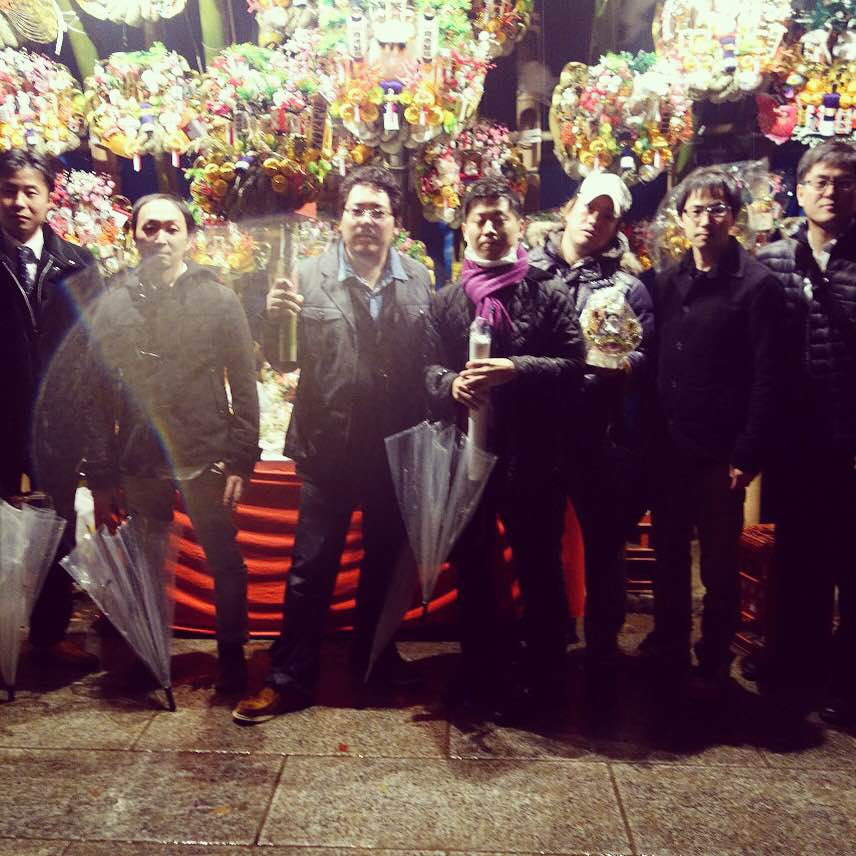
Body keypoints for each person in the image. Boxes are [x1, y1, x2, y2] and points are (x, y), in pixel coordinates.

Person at [233, 165, 434, 724]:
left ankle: (375, 659)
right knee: (311, 568)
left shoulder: (419, 280)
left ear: (395, 223)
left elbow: (427, 362)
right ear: (340, 219)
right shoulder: (305, 276)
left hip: (394, 448)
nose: (366, 220)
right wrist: (272, 320)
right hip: (327, 447)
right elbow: (283, 362)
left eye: (378, 211)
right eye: (356, 210)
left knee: (384, 564)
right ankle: (288, 677)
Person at [84, 193, 259, 694]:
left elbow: (243, 383)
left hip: (206, 453)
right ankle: (148, 653)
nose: (160, 237)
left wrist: (241, 458)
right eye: (150, 227)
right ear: (134, 237)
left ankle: (232, 656)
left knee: (225, 561)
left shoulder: (218, 299)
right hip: (140, 458)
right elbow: (96, 394)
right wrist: (101, 473)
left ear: (188, 237)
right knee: (146, 564)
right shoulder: (112, 306)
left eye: (171, 227)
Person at [424, 176, 585, 721]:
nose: (491, 228)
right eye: (480, 219)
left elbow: (574, 366)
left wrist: (516, 369)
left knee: (538, 566)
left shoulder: (547, 291)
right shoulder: (446, 300)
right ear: (465, 227)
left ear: (519, 225)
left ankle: (544, 677)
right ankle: (480, 670)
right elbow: (424, 369)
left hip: (533, 456)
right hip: (466, 454)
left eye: (500, 218)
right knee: (473, 566)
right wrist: (451, 384)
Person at [645, 166, 783, 697]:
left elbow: (767, 375)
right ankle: (670, 645)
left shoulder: (756, 285)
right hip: (669, 448)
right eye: (696, 210)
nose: (705, 220)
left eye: (717, 209)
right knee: (669, 556)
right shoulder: (667, 280)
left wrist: (747, 452)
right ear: (681, 219)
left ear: (734, 218)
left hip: (720, 452)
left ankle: (715, 656)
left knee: (719, 566)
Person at [528, 172, 654, 673]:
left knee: (604, 540)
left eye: (607, 215)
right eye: (589, 208)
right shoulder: (528, 271)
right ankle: (549, 635)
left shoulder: (628, 286)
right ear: (569, 208)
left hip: (597, 432)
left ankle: (603, 641)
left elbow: (646, 349)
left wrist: (626, 364)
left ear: (616, 226)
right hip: (538, 429)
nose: (595, 220)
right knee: (540, 540)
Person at [755, 141, 856, 725]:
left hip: (850, 436)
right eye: (821, 181)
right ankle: (793, 668)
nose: (831, 192)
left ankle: (845, 682)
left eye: (843, 182)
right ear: (800, 189)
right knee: (797, 557)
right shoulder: (774, 260)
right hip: (795, 439)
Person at [0, 148, 103, 672]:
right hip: (2, 420)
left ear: (49, 197)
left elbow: (96, 350)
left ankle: (49, 635)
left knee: (57, 528)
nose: (19, 202)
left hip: (58, 427)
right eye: (8, 191)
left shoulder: (79, 264)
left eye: (29, 191)